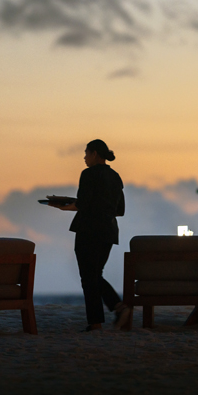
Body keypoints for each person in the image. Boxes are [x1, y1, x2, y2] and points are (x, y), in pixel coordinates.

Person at [52, 139, 130, 331]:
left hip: (88, 230)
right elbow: (120, 210)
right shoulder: (115, 176)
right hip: (108, 231)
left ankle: (99, 320)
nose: (84, 157)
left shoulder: (88, 174)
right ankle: (117, 308)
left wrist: (63, 206)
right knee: (95, 274)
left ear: (95, 153)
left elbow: (82, 204)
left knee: (88, 277)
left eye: (86, 153)